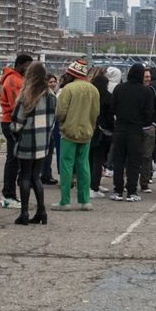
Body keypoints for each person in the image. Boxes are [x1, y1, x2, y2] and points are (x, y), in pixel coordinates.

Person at [10, 62, 57, 225]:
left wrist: (14, 131)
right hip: (43, 140)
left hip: (27, 139)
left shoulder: (26, 95)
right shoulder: (51, 95)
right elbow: (53, 119)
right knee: (36, 176)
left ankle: (24, 213)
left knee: (25, 176)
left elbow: (17, 122)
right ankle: (41, 211)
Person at [54, 59, 100, 210]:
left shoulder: (68, 89)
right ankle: (85, 201)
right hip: (86, 132)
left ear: (71, 74)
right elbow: (95, 112)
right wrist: (90, 126)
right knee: (84, 165)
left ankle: (65, 201)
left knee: (66, 166)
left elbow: (60, 112)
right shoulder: (93, 89)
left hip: (69, 132)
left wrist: (62, 123)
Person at [110, 64, 154, 202]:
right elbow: (149, 113)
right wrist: (143, 122)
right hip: (136, 130)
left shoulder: (119, 88)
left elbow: (113, 108)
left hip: (120, 129)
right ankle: (131, 191)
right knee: (134, 162)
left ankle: (117, 190)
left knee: (119, 161)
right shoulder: (146, 91)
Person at [0, 54, 32, 209]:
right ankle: (8, 195)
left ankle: (9, 194)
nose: (30, 69)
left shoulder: (16, 79)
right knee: (13, 159)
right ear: (21, 64)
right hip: (12, 122)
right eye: (28, 65)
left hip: (13, 121)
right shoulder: (13, 80)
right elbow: (16, 105)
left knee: (14, 159)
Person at [87, 67, 113, 199]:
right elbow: (110, 117)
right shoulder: (108, 97)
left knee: (89, 159)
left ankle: (90, 184)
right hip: (103, 133)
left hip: (90, 130)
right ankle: (94, 187)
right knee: (99, 160)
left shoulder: (90, 96)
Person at [41, 72, 60, 185]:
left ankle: (46, 174)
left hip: (50, 126)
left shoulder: (53, 94)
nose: (53, 84)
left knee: (48, 152)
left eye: (54, 81)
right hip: (47, 127)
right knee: (46, 152)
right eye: (50, 82)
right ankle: (45, 175)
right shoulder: (48, 95)